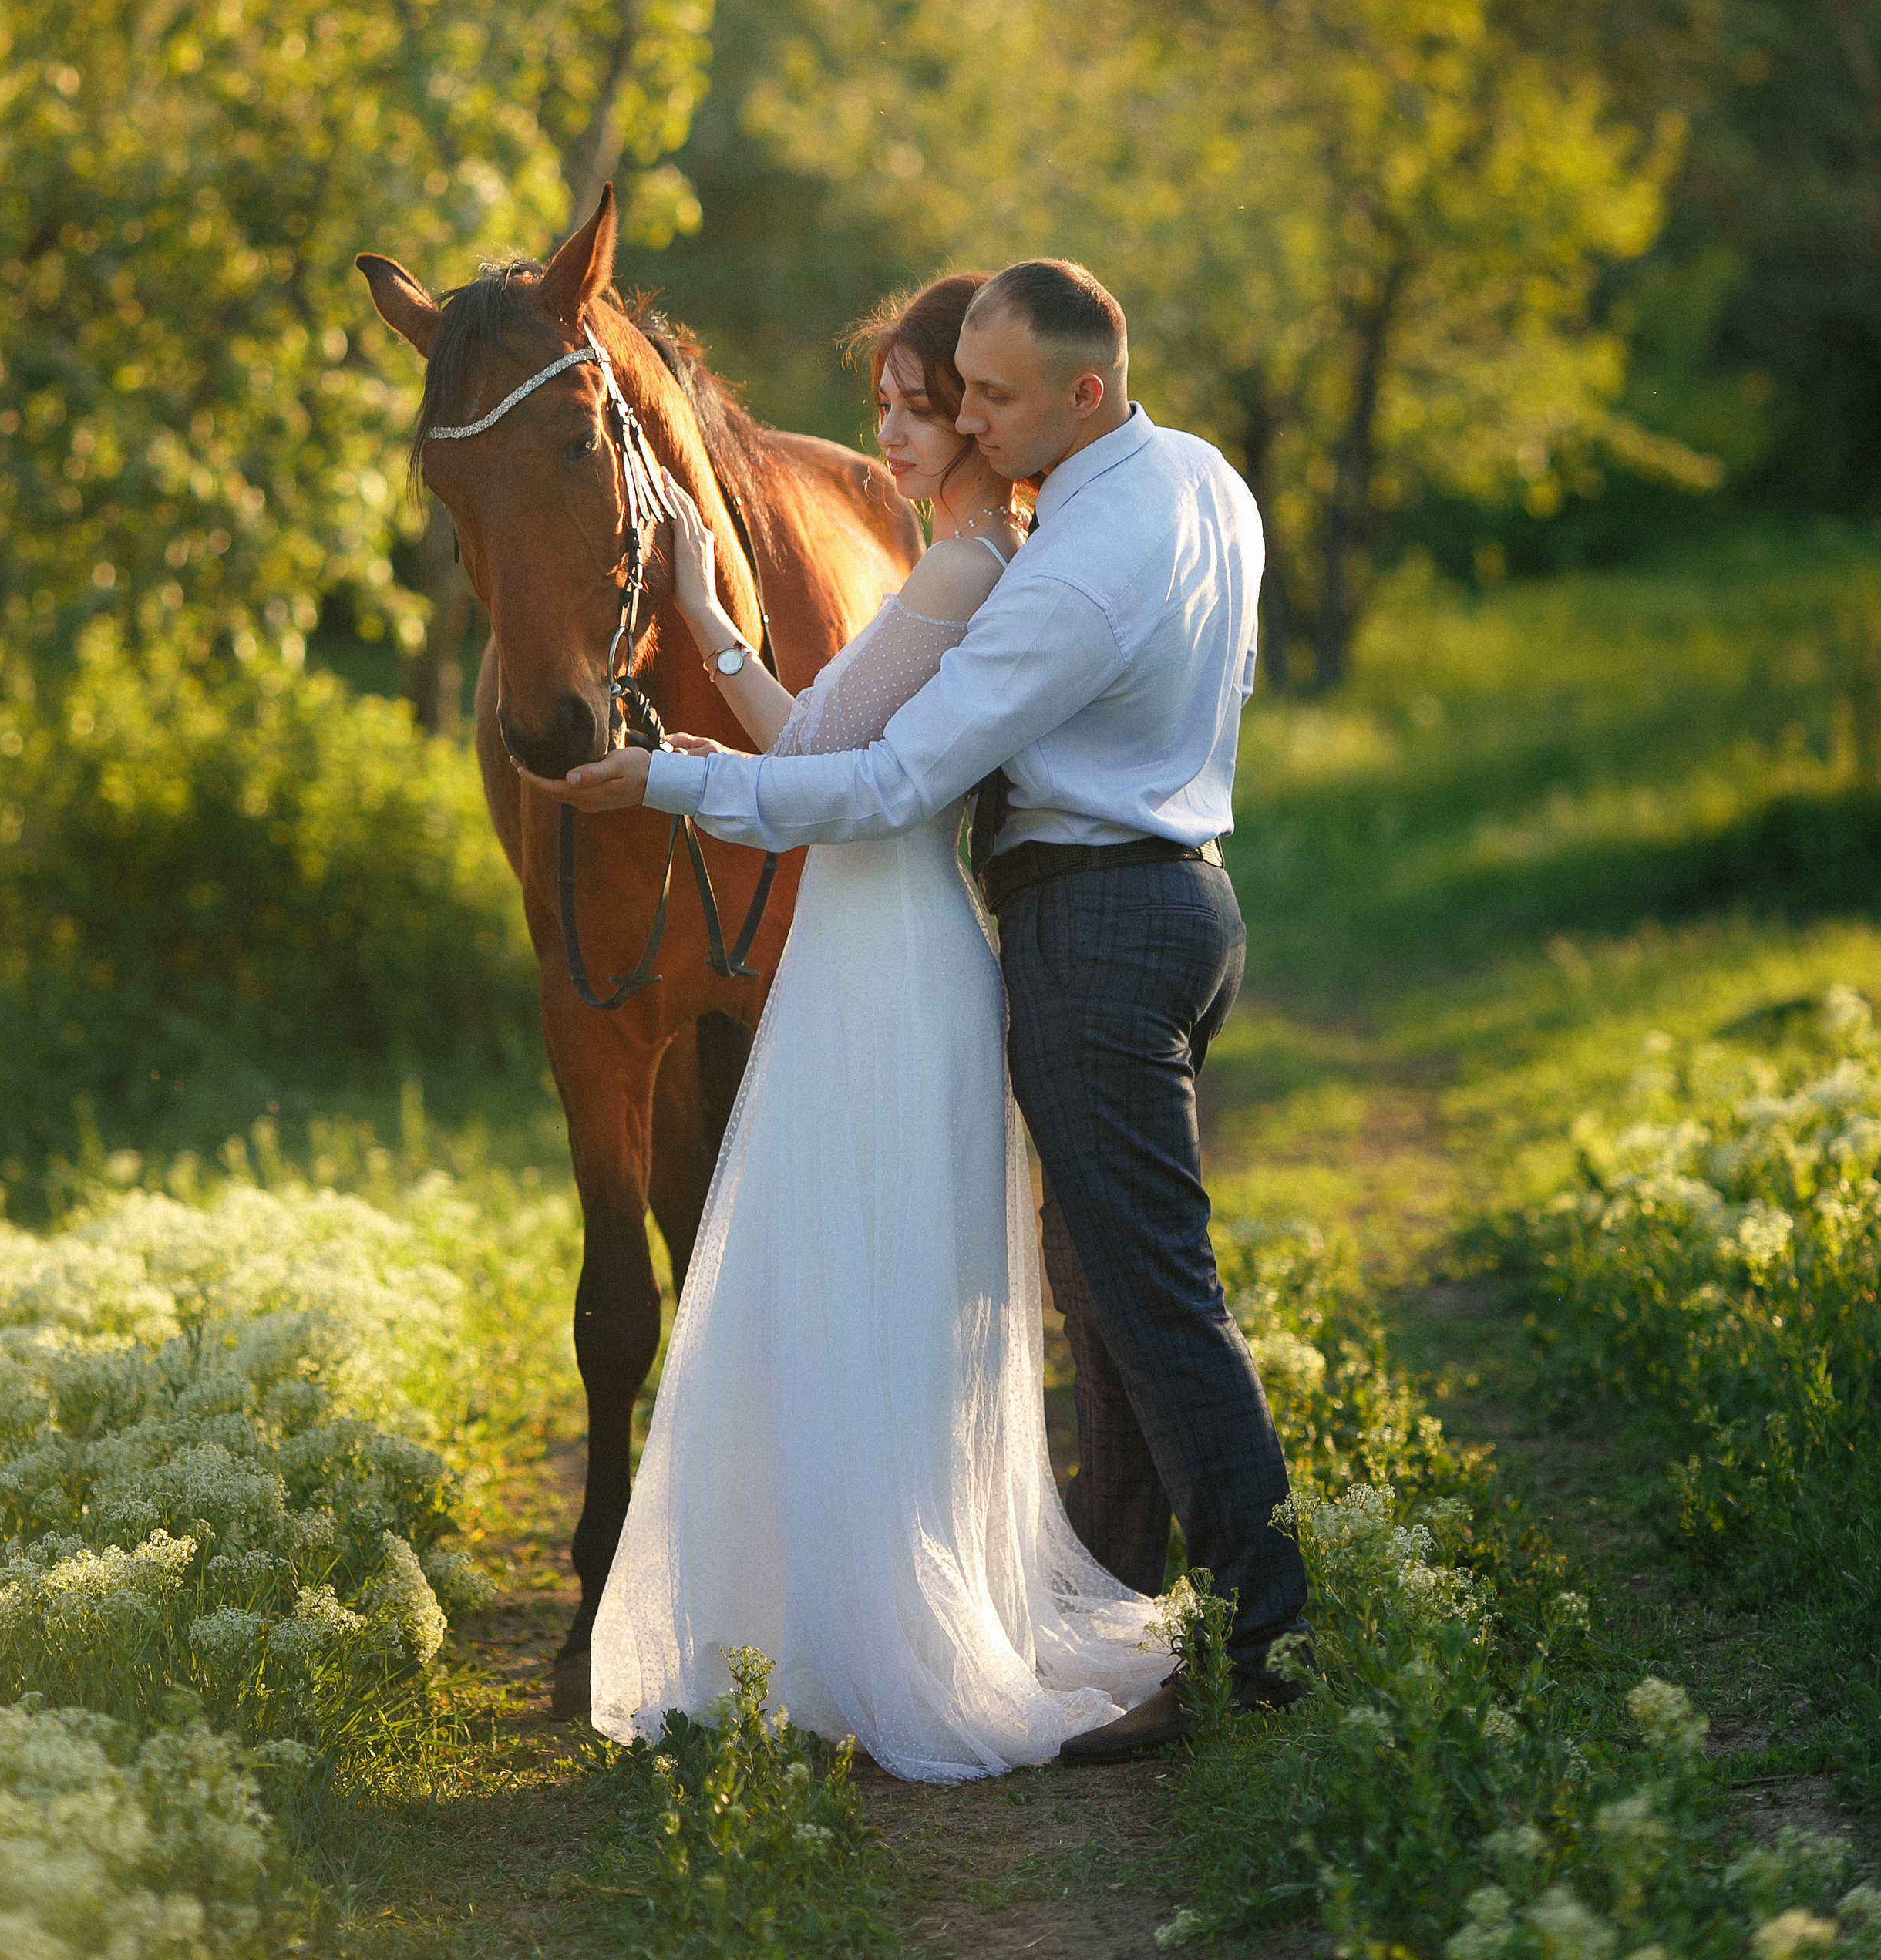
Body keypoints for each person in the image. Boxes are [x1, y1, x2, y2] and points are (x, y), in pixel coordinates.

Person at [531, 256, 1312, 1765]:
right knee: (1101, 1283)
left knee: (1145, 1296)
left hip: (1095, 918)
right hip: (1150, 897)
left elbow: (882, 787)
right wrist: (712, 623)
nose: (948, 423)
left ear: (1073, 394)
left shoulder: (1042, 568)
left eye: (968, 400)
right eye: (931, 399)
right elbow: (831, 731)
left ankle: (1259, 1630)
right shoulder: (1195, 482)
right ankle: (1132, 1587)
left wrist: (665, 780)